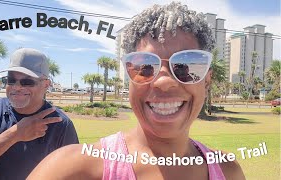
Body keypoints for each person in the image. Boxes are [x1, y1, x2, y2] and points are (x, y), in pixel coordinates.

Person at [28, 2, 245, 180]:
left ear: (207, 79)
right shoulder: (72, 170)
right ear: (128, 76)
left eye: (186, 66)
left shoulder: (228, 171)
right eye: (145, 67)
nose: (163, 82)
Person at [0, 48, 79, 179]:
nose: (17, 87)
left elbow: (74, 173)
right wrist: (15, 134)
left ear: (46, 84)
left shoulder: (61, 124)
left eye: (27, 81)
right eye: (11, 80)